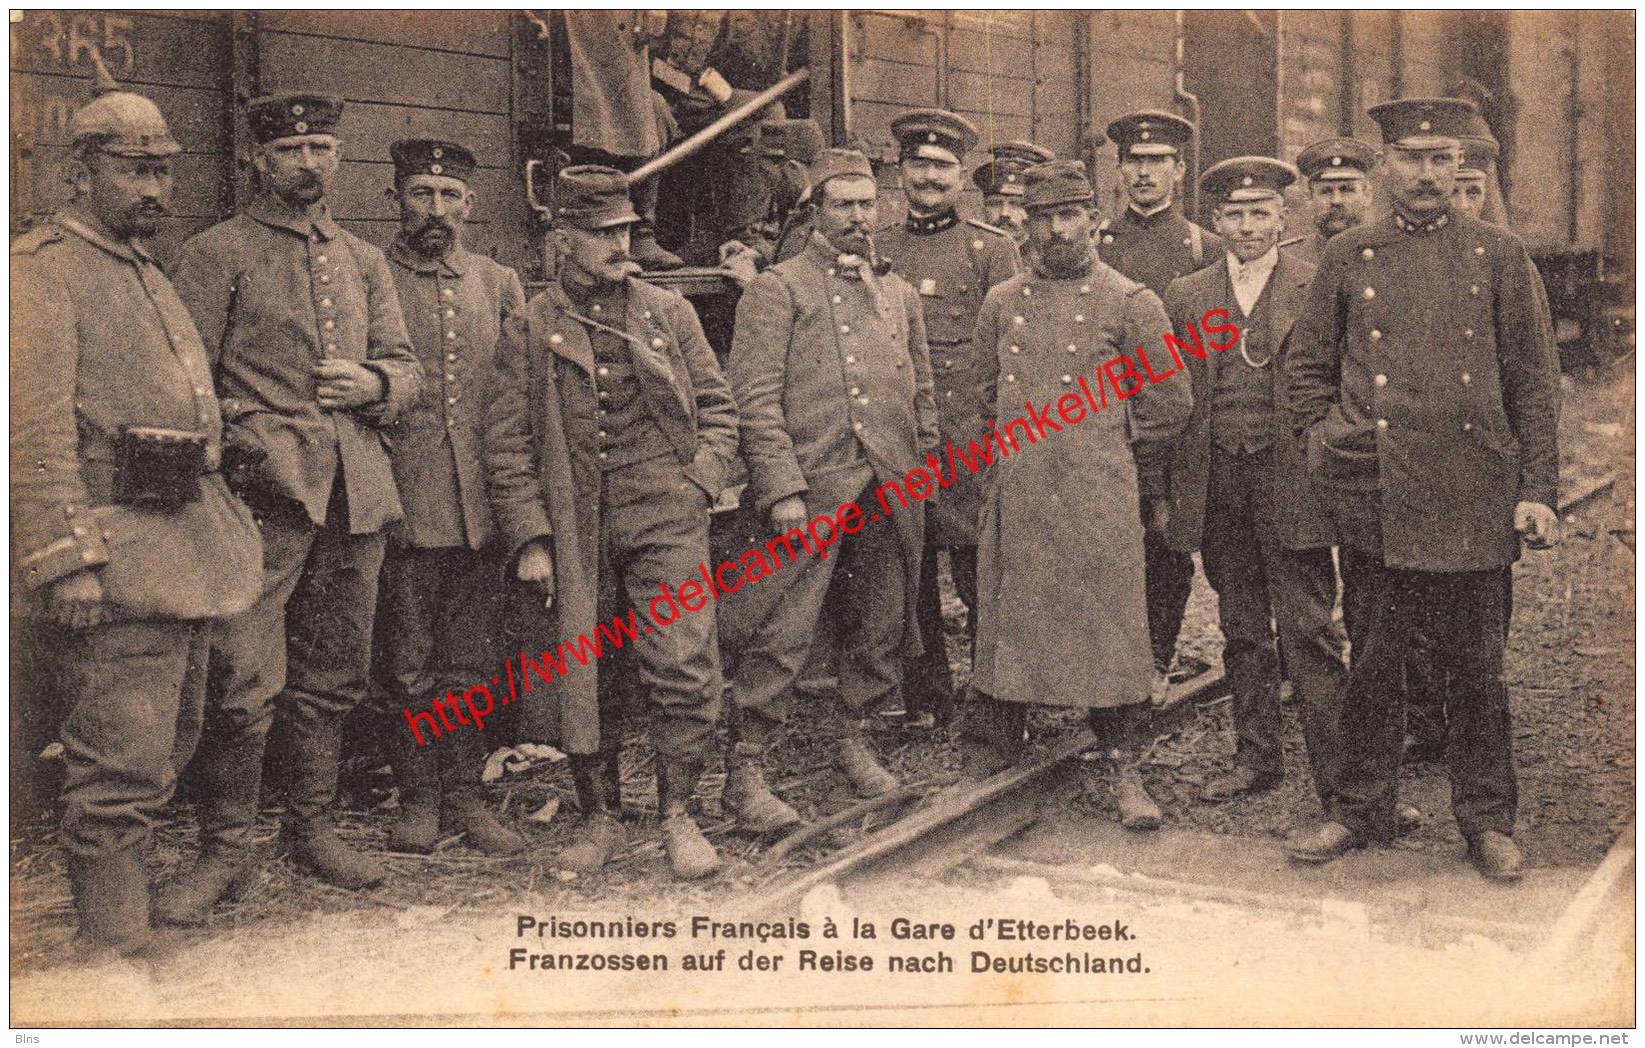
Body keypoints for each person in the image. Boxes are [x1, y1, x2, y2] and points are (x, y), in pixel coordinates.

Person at [10, 77, 264, 956]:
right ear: (79, 174)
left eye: (164, 171)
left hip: (179, 550)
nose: (155, 190)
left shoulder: (141, 265)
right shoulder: (40, 273)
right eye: (134, 171)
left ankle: (120, 931)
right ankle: (109, 955)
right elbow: (29, 427)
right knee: (117, 767)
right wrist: (63, 559)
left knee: (164, 752)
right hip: (116, 558)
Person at [1284, 97, 1562, 882]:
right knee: (1373, 661)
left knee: (1476, 669)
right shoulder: (1350, 256)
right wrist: (1328, 442)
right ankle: (1358, 809)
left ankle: (1485, 822)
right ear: (1385, 166)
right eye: (1411, 158)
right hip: (1375, 493)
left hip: (1473, 492)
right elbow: (1306, 367)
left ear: (1459, 169)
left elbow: (1533, 386)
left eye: (1443, 160)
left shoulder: (1500, 255)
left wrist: (1536, 488)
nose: (1428, 173)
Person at [167, 93, 422, 909]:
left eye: (321, 148)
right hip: (260, 500)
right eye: (291, 151)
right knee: (242, 683)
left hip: (358, 498)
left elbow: (406, 367)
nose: (308, 164)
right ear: (259, 162)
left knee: (334, 677)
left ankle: (311, 830)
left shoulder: (363, 260)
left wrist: (376, 381)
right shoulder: (216, 254)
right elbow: (186, 385)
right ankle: (225, 850)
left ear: (340, 158)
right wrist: (252, 433)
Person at [484, 165, 738, 879]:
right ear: (564, 240)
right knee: (581, 671)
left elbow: (718, 409)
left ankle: (677, 815)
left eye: (626, 230)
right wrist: (530, 536)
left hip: (666, 512)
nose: (621, 244)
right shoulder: (530, 326)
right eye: (604, 233)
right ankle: (598, 815)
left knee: (683, 663)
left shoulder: (669, 313)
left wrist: (700, 480)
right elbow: (505, 443)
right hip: (574, 518)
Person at [965, 159, 1192, 828]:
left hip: (1097, 491)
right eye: (1042, 218)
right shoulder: (1001, 302)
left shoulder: (1130, 301)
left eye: (1069, 215)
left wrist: (1108, 447)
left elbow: (1169, 402)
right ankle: (993, 750)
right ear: (1025, 226)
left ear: (1093, 219)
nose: (1056, 230)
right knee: (1009, 614)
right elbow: (978, 398)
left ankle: (1122, 763)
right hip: (1021, 488)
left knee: (1109, 626)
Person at [722, 148, 937, 827]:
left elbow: (922, 389)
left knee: (878, 620)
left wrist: (920, 465)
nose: (856, 217)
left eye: (866, 204)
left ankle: (853, 741)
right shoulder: (776, 289)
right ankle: (746, 766)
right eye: (841, 205)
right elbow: (752, 399)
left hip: (888, 484)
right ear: (815, 211)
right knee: (781, 628)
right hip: (812, 489)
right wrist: (781, 487)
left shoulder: (897, 293)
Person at [1159, 157, 1345, 803]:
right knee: (1241, 630)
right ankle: (1256, 758)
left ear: (1281, 217)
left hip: (1289, 483)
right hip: (1219, 484)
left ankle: (1341, 777)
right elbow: (1172, 399)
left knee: (1309, 629)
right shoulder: (1187, 296)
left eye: (1258, 212)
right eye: (1233, 214)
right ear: (1214, 221)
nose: (1246, 225)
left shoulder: (1315, 284)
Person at [372, 139, 528, 856]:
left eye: (449, 198)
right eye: (420, 195)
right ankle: (418, 797)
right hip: (405, 504)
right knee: (406, 663)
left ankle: (467, 795)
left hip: (484, 505)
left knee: (471, 661)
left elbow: (515, 397)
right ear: (396, 200)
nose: (435, 211)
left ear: (471, 205)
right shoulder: (371, 275)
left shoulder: (497, 282)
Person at [875, 109, 1022, 730]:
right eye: (918, 165)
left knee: (980, 572)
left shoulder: (992, 249)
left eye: (942, 167)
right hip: (899, 437)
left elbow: (1011, 353)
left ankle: (997, 696)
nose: (929, 177)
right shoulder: (878, 248)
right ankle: (925, 697)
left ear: (962, 177)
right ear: (901, 173)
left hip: (968, 443)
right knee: (909, 575)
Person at [1097, 110, 1224, 700]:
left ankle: (1154, 657)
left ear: (1178, 169)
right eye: (1134, 163)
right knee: (1103, 542)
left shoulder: (1204, 246)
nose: (1144, 174)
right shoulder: (1097, 243)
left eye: (1157, 162)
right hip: (1102, 422)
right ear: (1119, 170)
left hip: (1178, 425)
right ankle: (1105, 661)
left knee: (1165, 545)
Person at [1289, 137, 1377, 269]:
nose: (1336, 201)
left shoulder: (1391, 253)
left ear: (1367, 195)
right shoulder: (1290, 258)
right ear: (1309, 198)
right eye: (1326, 191)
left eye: (1346, 190)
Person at [971, 140, 1056, 248]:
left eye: (1017, 204)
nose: (1004, 214)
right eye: (995, 203)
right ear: (983, 209)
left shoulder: (1047, 262)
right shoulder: (971, 259)